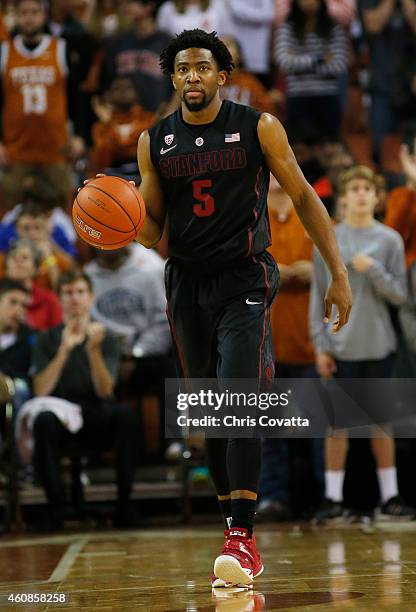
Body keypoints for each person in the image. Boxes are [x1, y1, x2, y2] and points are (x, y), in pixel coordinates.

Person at [88, 28, 351, 588]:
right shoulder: (153, 140)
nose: (192, 77)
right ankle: (233, 526)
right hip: (185, 282)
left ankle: (242, 534)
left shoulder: (258, 127)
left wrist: (339, 273)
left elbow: (304, 196)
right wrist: (122, 224)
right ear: (173, 76)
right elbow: (153, 225)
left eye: (203, 67)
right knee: (211, 409)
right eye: (182, 68)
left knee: (240, 397)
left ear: (222, 75)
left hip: (244, 277)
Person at [310, 165, 413, 520]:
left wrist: (373, 270)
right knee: (337, 426)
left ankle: (390, 497)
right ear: (344, 197)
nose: (360, 194)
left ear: (376, 196)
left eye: (366, 189)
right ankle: (334, 500)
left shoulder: (390, 241)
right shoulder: (328, 238)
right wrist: (321, 346)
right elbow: (316, 298)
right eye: (353, 188)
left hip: (380, 344)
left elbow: (401, 295)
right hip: (341, 346)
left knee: (381, 423)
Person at [31, 269, 138, 530]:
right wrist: (65, 350)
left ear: (90, 297)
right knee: (43, 420)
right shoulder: (47, 339)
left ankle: (124, 506)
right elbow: (41, 391)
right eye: (68, 293)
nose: (75, 299)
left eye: (80, 292)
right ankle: (57, 507)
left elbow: (105, 391)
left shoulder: (106, 337)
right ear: (59, 299)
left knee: (126, 415)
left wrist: (92, 351)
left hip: (96, 413)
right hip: (62, 416)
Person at [0, 0, 86, 207]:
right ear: (16, 17)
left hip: (56, 151)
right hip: (15, 153)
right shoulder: (4, 51)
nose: (29, 17)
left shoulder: (61, 48)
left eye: (34, 12)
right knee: (11, 218)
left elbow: (78, 99)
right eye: (23, 12)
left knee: (62, 213)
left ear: (44, 15)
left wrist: (80, 136)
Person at [274, 0, 348, 141]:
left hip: (328, 96)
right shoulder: (287, 28)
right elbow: (284, 62)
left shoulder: (333, 28)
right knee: (301, 150)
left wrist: (299, 63)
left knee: (328, 148)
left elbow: (339, 65)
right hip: (297, 97)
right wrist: (319, 59)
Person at [4, 240, 63, 331]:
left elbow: (57, 334)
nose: (18, 261)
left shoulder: (49, 300)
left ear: (36, 268)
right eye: (13, 257)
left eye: (25, 257)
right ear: (6, 267)